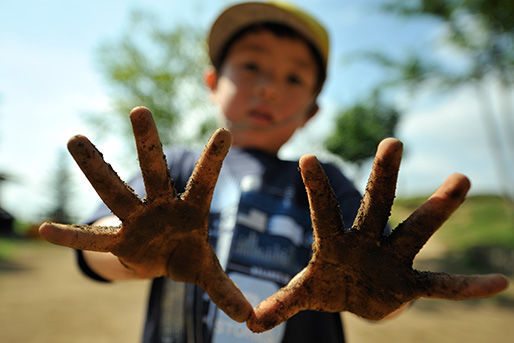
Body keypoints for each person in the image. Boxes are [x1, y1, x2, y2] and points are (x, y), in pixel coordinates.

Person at [39, 2, 508, 343]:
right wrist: (130, 249)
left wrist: (388, 294)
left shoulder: (326, 185)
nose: (268, 88)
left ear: (311, 111)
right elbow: (95, 249)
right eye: (251, 65)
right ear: (212, 82)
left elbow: (384, 285)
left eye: (293, 78)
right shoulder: (174, 169)